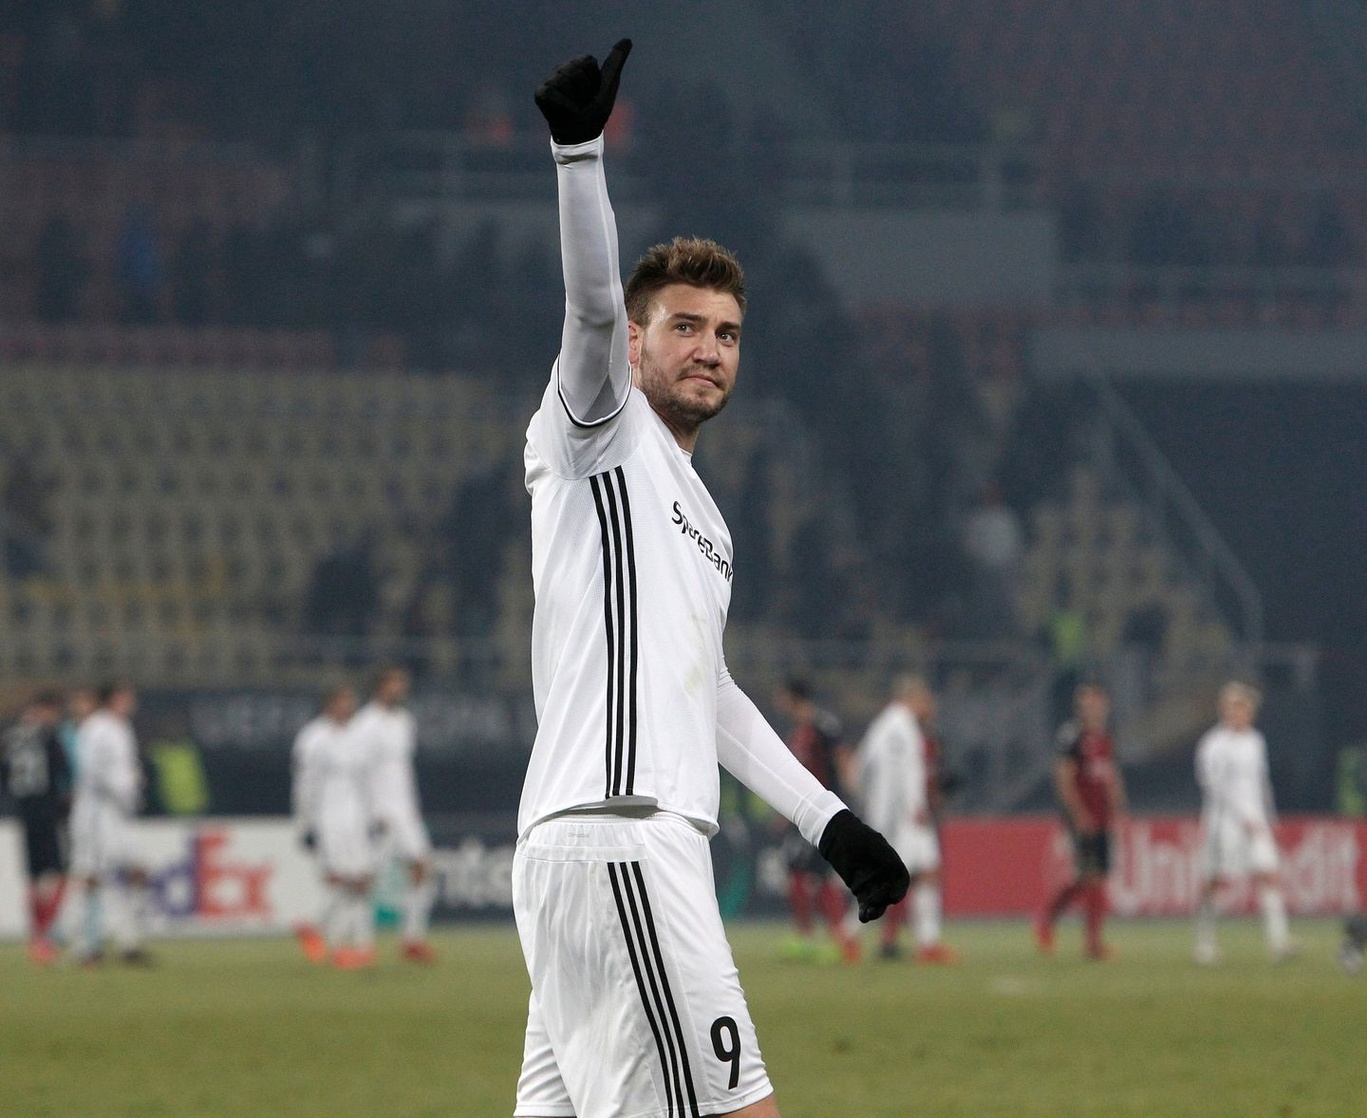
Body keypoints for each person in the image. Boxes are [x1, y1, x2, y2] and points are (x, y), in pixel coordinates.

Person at [512, 41, 908, 1118]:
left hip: (604, 852)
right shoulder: (598, 430)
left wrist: (830, 823)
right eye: (683, 326)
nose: (709, 348)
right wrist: (580, 158)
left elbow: (709, 692)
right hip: (623, 839)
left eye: (727, 333)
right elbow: (591, 310)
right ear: (637, 346)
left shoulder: (707, 520)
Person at [858, 676, 960, 963]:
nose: (930, 706)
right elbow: (905, 772)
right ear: (911, 698)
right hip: (904, 817)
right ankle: (852, 934)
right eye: (926, 700)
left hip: (891, 815)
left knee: (915, 873)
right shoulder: (903, 726)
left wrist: (868, 802)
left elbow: (862, 766)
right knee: (911, 874)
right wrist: (915, 806)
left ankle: (920, 942)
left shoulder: (883, 724)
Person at [1193, 681, 1295, 964]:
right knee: (1213, 880)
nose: (1240, 712)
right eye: (1235, 706)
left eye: (1245, 707)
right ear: (1224, 709)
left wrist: (1270, 818)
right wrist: (1241, 815)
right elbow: (1212, 785)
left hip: (1256, 822)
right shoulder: (1213, 744)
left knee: (1269, 873)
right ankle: (1204, 943)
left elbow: (1261, 784)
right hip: (1222, 822)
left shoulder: (1256, 741)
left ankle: (1279, 942)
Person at [350, 666, 436, 963]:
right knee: (367, 876)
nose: (400, 688)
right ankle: (362, 944)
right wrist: (371, 810)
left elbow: (403, 770)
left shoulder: (404, 721)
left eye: (402, 683)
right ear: (380, 686)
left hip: (404, 808)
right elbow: (359, 772)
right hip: (380, 812)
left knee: (421, 867)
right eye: (394, 683)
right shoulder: (365, 723)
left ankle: (412, 939)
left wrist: (412, 806)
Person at [1035, 681, 1126, 960]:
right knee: (1091, 876)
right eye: (1085, 703)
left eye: (1095, 703)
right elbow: (1063, 776)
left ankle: (1052, 921)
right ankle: (1090, 941)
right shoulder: (1071, 736)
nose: (1090, 708)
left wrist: (1118, 806)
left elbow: (1109, 775)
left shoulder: (1105, 737)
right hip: (1082, 818)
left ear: (1104, 705)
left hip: (1103, 816)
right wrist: (1078, 814)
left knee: (1095, 878)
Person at [772, 679, 860, 964]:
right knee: (802, 872)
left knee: (815, 874)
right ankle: (816, 937)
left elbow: (843, 757)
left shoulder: (823, 725)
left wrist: (848, 797)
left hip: (821, 810)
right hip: (801, 812)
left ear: (793, 697)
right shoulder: (798, 732)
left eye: (782, 696)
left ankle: (838, 940)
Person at [65, 683, 152, 965]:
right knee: (92, 875)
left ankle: (127, 938)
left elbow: (124, 769)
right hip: (96, 812)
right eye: (126, 697)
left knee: (135, 870)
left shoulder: (121, 728)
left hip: (118, 814)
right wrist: (125, 789)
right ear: (114, 699)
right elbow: (94, 771)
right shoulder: (97, 728)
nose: (132, 702)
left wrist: (131, 789)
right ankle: (84, 944)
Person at [293, 682, 378, 968]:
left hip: (356, 817)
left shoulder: (358, 737)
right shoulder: (313, 738)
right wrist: (306, 822)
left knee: (362, 879)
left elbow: (366, 781)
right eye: (343, 701)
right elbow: (305, 785)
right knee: (342, 879)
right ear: (330, 704)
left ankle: (319, 928)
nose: (348, 707)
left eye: (350, 701)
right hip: (328, 817)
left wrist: (371, 815)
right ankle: (345, 945)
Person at [1, 692, 72, 964]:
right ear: (45, 711)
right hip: (46, 812)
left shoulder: (11, 737)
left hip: (24, 812)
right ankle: (43, 934)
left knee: (33, 876)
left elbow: (5, 774)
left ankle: (36, 936)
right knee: (59, 872)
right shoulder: (48, 737)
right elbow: (63, 771)